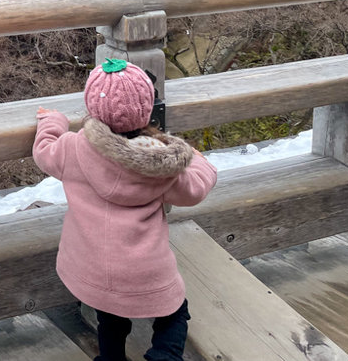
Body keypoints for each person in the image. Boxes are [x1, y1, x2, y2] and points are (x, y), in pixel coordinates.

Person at [34, 59, 217, 361]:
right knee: (174, 314)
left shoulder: (72, 149)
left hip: (92, 265)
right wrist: (197, 159)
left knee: (111, 317)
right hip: (145, 270)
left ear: (93, 107)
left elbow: (44, 150)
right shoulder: (161, 165)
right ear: (146, 109)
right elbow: (195, 189)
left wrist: (52, 122)